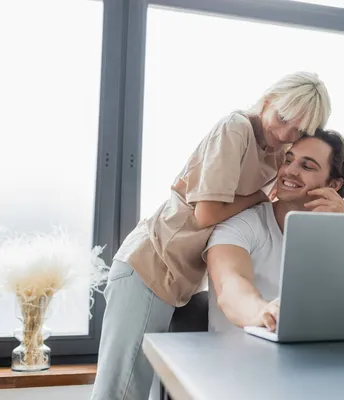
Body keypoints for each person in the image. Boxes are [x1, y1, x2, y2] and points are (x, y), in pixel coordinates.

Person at [91, 72, 331, 400]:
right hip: (150, 265)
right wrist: (260, 198)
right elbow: (206, 214)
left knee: (145, 390)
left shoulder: (277, 152)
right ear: (269, 101)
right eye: (284, 118)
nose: (286, 133)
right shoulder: (236, 128)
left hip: (179, 279)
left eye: (300, 130)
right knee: (120, 393)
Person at [204, 129, 344, 333]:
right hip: (240, 360)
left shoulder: (338, 239)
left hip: (309, 359)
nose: (289, 171)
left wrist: (342, 232)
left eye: (307, 166)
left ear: (333, 185)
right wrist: (263, 313)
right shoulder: (241, 225)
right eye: (288, 160)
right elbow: (230, 285)